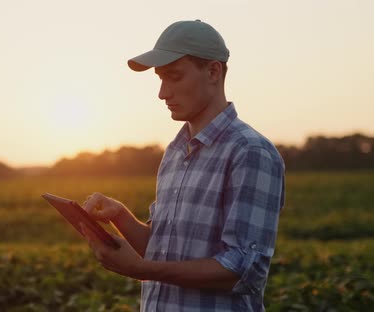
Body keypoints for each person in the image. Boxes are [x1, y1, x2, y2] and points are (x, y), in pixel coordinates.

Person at [80, 20, 285, 311]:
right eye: (161, 80)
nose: (162, 93)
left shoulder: (250, 152)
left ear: (213, 71)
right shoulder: (175, 153)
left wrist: (141, 269)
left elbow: (241, 269)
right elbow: (163, 248)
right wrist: (122, 217)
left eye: (174, 77)